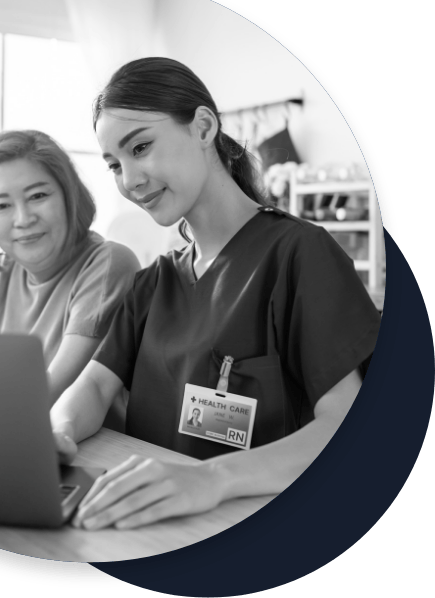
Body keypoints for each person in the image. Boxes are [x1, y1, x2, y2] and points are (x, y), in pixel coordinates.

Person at [50, 57, 382, 530]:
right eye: (114, 165)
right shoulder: (154, 282)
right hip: (148, 523)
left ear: (203, 127)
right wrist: (57, 430)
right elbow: (94, 385)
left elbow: (348, 425)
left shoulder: (302, 255)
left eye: (140, 147)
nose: (130, 180)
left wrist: (210, 479)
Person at [0, 130, 140, 405]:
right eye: (1, 205)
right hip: (9, 427)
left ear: (69, 196)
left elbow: (57, 387)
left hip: (86, 443)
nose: (24, 219)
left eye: (38, 195)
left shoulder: (108, 263)